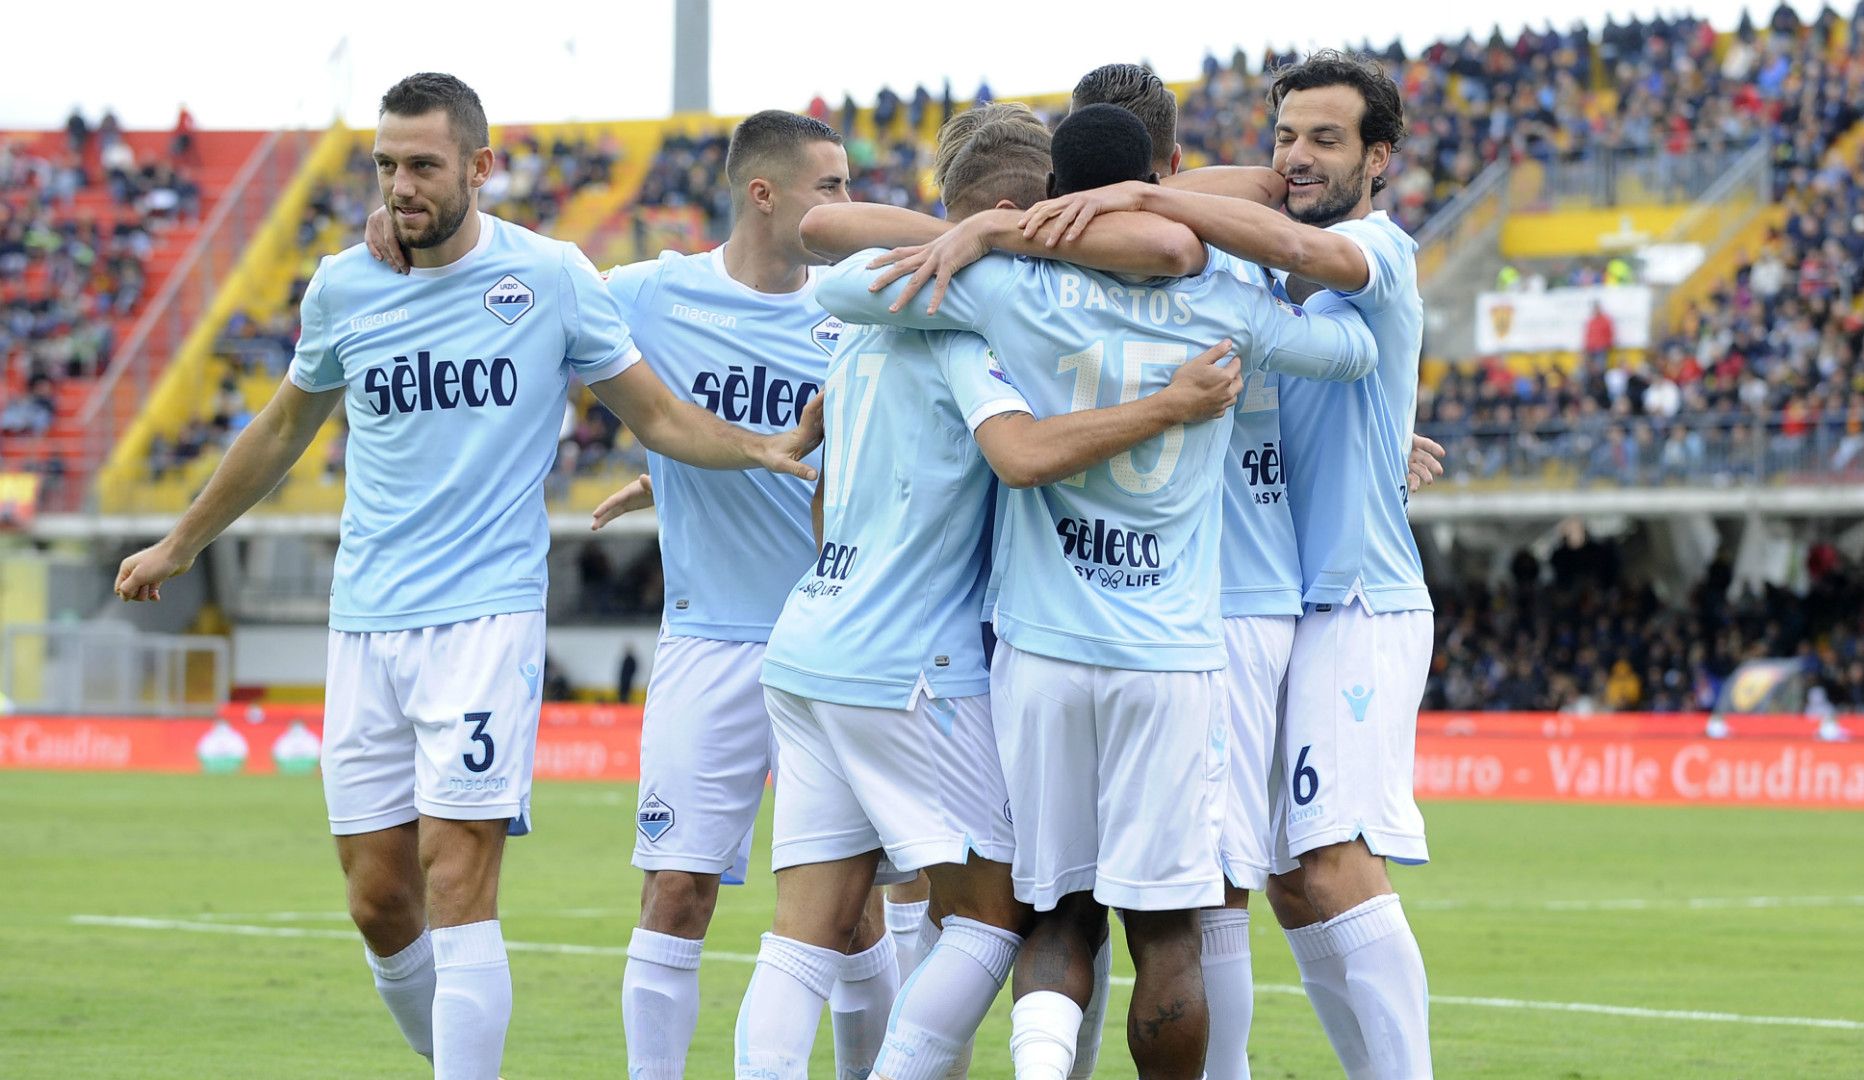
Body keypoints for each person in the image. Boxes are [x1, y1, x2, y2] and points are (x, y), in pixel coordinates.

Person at [116, 73, 820, 1080]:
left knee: (459, 877)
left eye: (423, 165)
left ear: (481, 169)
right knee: (378, 899)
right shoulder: (342, 284)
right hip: (365, 619)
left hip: (486, 619)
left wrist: (747, 448)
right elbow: (279, 428)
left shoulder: (552, 278)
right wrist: (182, 540)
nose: (401, 184)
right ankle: (444, 1046)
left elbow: (654, 414)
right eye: (386, 165)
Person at [818, 103, 1378, 1080]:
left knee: (1058, 915)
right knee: (1170, 935)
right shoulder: (1226, 305)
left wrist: (986, 231)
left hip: (1040, 648)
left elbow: (842, 285)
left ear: (1054, 197)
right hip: (1167, 657)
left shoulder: (1007, 289)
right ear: (1146, 186)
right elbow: (1353, 353)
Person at [370, 109, 897, 1080]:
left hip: (837, 642)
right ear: (763, 195)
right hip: (707, 642)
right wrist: (392, 232)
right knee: (675, 893)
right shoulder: (652, 292)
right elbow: (521, 296)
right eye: (832, 188)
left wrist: (667, 475)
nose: (849, 207)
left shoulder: (858, 307)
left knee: (851, 907)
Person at [726, 101, 1239, 1080]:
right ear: (1013, 212)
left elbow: (826, 484)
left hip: (809, 639)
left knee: (805, 934)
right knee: (996, 919)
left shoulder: (870, 303)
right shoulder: (974, 306)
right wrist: (1170, 403)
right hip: (904, 658)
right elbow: (1018, 452)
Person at [1018, 48, 1440, 1080]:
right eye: (1287, 136)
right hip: (1285, 597)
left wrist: (1136, 192)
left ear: (1380, 158)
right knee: (1278, 878)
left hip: (1354, 600)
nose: (1297, 158)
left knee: (1322, 869)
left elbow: (1305, 246)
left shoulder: (1372, 250)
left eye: (1327, 140)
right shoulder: (1266, 281)